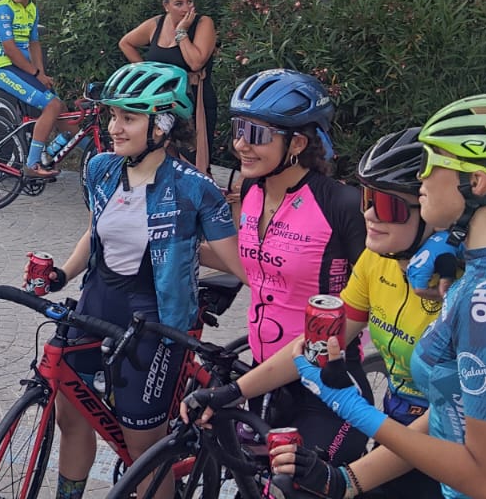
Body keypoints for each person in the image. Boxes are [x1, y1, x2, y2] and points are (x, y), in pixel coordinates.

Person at [270, 94, 486, 499]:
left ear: (477, 182)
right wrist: (451, 247)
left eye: (431, 162)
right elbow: (459, 406)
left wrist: (353, 408)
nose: (420, 179)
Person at [185, 128, 443, 499]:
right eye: (367, 198)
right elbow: (313, 343)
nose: (368, 214)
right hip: (399, 430)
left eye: (388, 206)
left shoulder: (462, 289)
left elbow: (449, 417)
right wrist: (232, 392)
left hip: (452, 447)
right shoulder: (375, 262)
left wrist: (347, 480)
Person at [39, 62, 241, 499]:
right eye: (113, 116)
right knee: (70, 415)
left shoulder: (195, 187)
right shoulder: (101, 168)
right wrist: (61, 274)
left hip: (157, 320)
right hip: (98, 301)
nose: (114, 127)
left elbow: (239, 262)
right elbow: (96, 233)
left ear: (163, 124)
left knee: (141, 445)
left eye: (128, 118)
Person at [221, 68, 369, 466]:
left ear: (297, 142)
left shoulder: (342, 205)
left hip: (327, 387)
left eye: (256, 135)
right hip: (266, 377)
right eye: (239, 129)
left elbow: (380, 291)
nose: (240, 145)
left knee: (300, 487)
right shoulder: (252, 190)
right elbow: (256, 269)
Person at [117, 0, 219, 174]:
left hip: (193, 101)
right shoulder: (156, 24)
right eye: (179, 4)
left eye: (189, 1)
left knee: (192, 160)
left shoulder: (203, 23)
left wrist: (181, 32)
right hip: (161, 102)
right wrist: (148, 75)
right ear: (166, 6)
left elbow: (195, 62)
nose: (186, 8)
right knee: (159, 154)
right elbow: (125, 43)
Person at [0, 0, 68, 178]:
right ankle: (32, 165)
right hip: (4, 70)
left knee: (64, 110)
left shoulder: (31, 9)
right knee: (52, 105)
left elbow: (34, 44)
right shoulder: (3, 9)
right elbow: (10, 49)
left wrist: (41, 73)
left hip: (25, 70)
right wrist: (36, 74)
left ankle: (52, 153)